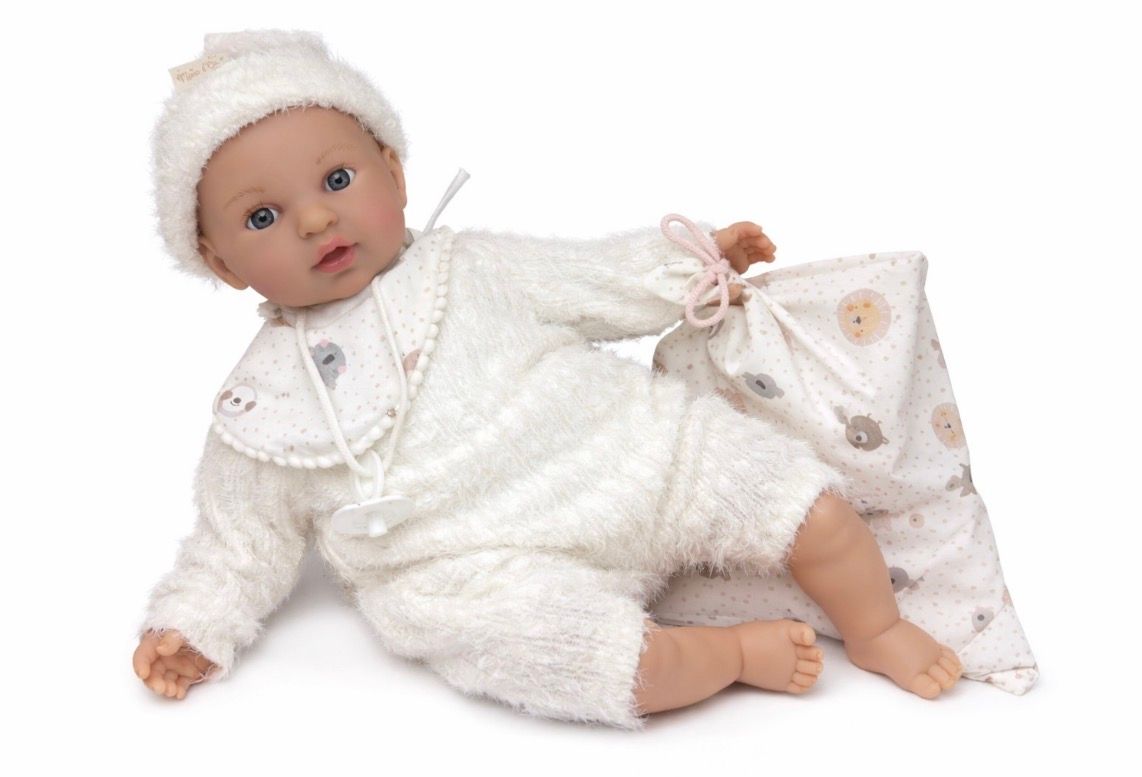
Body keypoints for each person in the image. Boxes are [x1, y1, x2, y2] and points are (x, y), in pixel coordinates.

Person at [133, 30, 961, 728]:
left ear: (394, 171)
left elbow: (595, 280)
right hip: (481, 565)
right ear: (221, 262)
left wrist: (693, 263)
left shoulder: (472, 265)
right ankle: (727, 654)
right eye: (262, 216)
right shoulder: (262, 408)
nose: (316, 219)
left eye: (338, 180)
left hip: (633, 457)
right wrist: (192, 624)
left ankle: (876, 626)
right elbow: (237, 541)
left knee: (807, 505)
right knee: (553, 650)